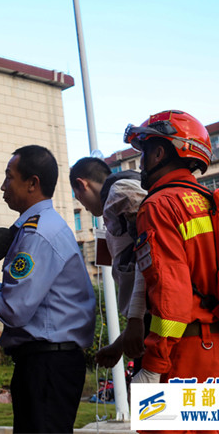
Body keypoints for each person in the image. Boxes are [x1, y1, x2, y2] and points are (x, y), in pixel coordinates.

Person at [123, 110, 219, 387]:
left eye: (143, 155)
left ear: (159, 154)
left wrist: (153, 366)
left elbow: (170, 295)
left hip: (191, 361)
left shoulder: (159, 206)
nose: (140, 166)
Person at [0, 145, 95, 434]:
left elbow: (14, 310)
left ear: (33, 183)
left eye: (9, 177)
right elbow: (34, 298)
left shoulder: (37, 234)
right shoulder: (42, 227)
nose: (3, 186)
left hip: (47, 364)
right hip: (48, 361)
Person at [69, 157, 148, 369]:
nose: (83, 206)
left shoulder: (120, 193)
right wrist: (120, 344)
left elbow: (150, 254)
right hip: (155, 327)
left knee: (157, 401)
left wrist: (135, 320)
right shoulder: (120, 197)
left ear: (81, 184)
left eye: (77, 196)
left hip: (161, 329)